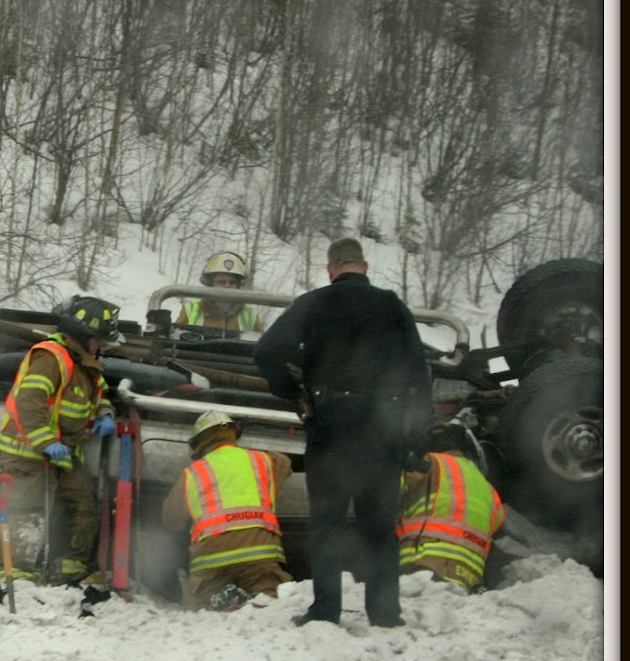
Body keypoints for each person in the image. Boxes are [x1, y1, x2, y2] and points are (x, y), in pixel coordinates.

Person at [253, 237, 431, 628]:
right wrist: (415, 437)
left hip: (330, 427)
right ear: (364, 267)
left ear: (330, 270)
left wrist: (294, 394)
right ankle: (385, 613)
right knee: (379, 528)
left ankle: (325, 611)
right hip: (381, 429)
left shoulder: (313, 302)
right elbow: (418, 374)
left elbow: (266, 351)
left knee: (327, 525)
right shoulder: (391, 305)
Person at [0, 295, 119, 586]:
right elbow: (29, 401)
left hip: (63, 453)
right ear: (84, 335)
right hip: (26, 450)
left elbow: (99, 394)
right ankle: (18, 575)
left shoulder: (85, 365)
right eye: (99, 340)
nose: (101, 346)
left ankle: (68, 570)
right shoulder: (51, 358)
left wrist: (105, 412)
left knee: (81, 504)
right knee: (27, 512)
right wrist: (45, 442)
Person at [162, 409, 295, 611]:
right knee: (270, 608)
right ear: (233, 433)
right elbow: (285, 463)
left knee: (199, 612)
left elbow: (171, 519)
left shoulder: (192, 474)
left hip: (212, 566)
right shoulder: (263, 461)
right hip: (260, 560)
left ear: (199, 442)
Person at [398, 421, 506, 593]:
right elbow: (496, 526)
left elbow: (388, 490)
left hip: (424, 564)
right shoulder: (490, 491)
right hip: (468, 578)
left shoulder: (428, 463)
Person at [177, 250, 264, 333]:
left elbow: (262, 342)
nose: (227, 286)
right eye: (221, 282)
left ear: (238, 286)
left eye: (232, 282)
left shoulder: (251, 316)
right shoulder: (191, 311)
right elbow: (174, 339)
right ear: (210, 284)